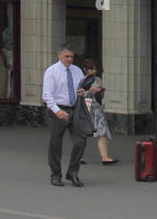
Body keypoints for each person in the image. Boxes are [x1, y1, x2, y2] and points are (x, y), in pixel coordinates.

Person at [42, 45, 87, 187]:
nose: (69, 59)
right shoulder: (51, 72)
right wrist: (56, 110)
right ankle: (55, 174)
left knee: (80, 141)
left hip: (75, 108)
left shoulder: (77, 71)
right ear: (59, 55)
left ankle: (73, 172)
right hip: (58, 109)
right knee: (55, 144)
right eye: (67, 56)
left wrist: (83, 93)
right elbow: (47, 94)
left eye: (72, 57)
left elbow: (81, 89)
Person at [81, 60, 118, 165]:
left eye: (94, 68)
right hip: (87, 106)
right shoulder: (82, 80)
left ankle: (104, 157)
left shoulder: (98, 79)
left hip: (97, 107)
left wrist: (101, 92)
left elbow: (101, 96)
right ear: (85, 70)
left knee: (101, 132)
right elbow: (80, 94)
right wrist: (90, 90)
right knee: (83, 132)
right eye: (90, 69)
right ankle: (79, 156)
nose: (93, 71)